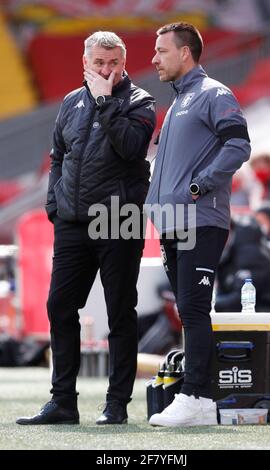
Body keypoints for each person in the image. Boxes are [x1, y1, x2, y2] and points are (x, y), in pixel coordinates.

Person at [16, 31, 156, 425]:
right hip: (73, 222)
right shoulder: (70, 103)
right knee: (59, 308)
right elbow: (58, 156)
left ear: (124, 63)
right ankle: (63, 402)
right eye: (99, 63)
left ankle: (116, 405)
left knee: (120, 314)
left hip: (119, 219)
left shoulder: (140, 102)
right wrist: (54, 206)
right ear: (85, 63)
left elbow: (130, 147)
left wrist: (105, 100)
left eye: (113, 63)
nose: (107, 70)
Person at [145, 22, 251, 426]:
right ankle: (198, 398)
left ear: (184, 52)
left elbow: (239, 144)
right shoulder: (177, 103)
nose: (154, 58)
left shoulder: (213, 93)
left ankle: (197, 396)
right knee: (188, 310)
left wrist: (198, 186)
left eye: (161, 50)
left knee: (192, 309)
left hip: (200, 219)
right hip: (172, 222)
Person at [215, 216, 270, 313]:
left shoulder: (249, 253)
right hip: (255, 312)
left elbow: (241, 299)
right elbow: (223, 290)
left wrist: (210, 305)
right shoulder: (227, 253)